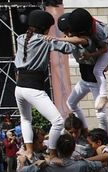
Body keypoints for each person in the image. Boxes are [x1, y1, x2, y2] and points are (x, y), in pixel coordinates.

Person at [14, 10, 83, 154]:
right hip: (33, 87)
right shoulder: (44, 40)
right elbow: (69, 48)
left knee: (26, 119)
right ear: (45, 27)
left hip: (19, 87)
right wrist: (70, 37)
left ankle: (28, 151)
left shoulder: (20, 38)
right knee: (57, 121)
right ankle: (52, 153)